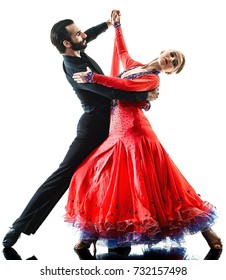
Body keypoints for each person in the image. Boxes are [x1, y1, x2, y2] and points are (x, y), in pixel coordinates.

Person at [65, 11, 222, 256]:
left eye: (175, 62)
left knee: (162, 184)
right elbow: (122, 53)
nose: (171, 59)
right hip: (117, 132)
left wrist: (93, 77)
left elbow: (124, 86)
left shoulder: (152, 80)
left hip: (136, 133)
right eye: (171, 54)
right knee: (96, 176)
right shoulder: (136, 66)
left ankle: (206, 230)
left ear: (171, 71)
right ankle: (91, 233)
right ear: (162, 52)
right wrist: (117, 27)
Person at [2, 11, 158, 249]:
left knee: (115, 176)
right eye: (77, 34)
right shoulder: (75, 67)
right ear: (66, 43)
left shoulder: (77, 50)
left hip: (115, 124)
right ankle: (18, 228)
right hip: (94, 127)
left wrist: (106, 25)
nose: (83, 35)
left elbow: (88, 36)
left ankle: (115, 234)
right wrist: (142, 94)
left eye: (81, 30)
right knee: (63, 175)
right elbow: (111, 92)